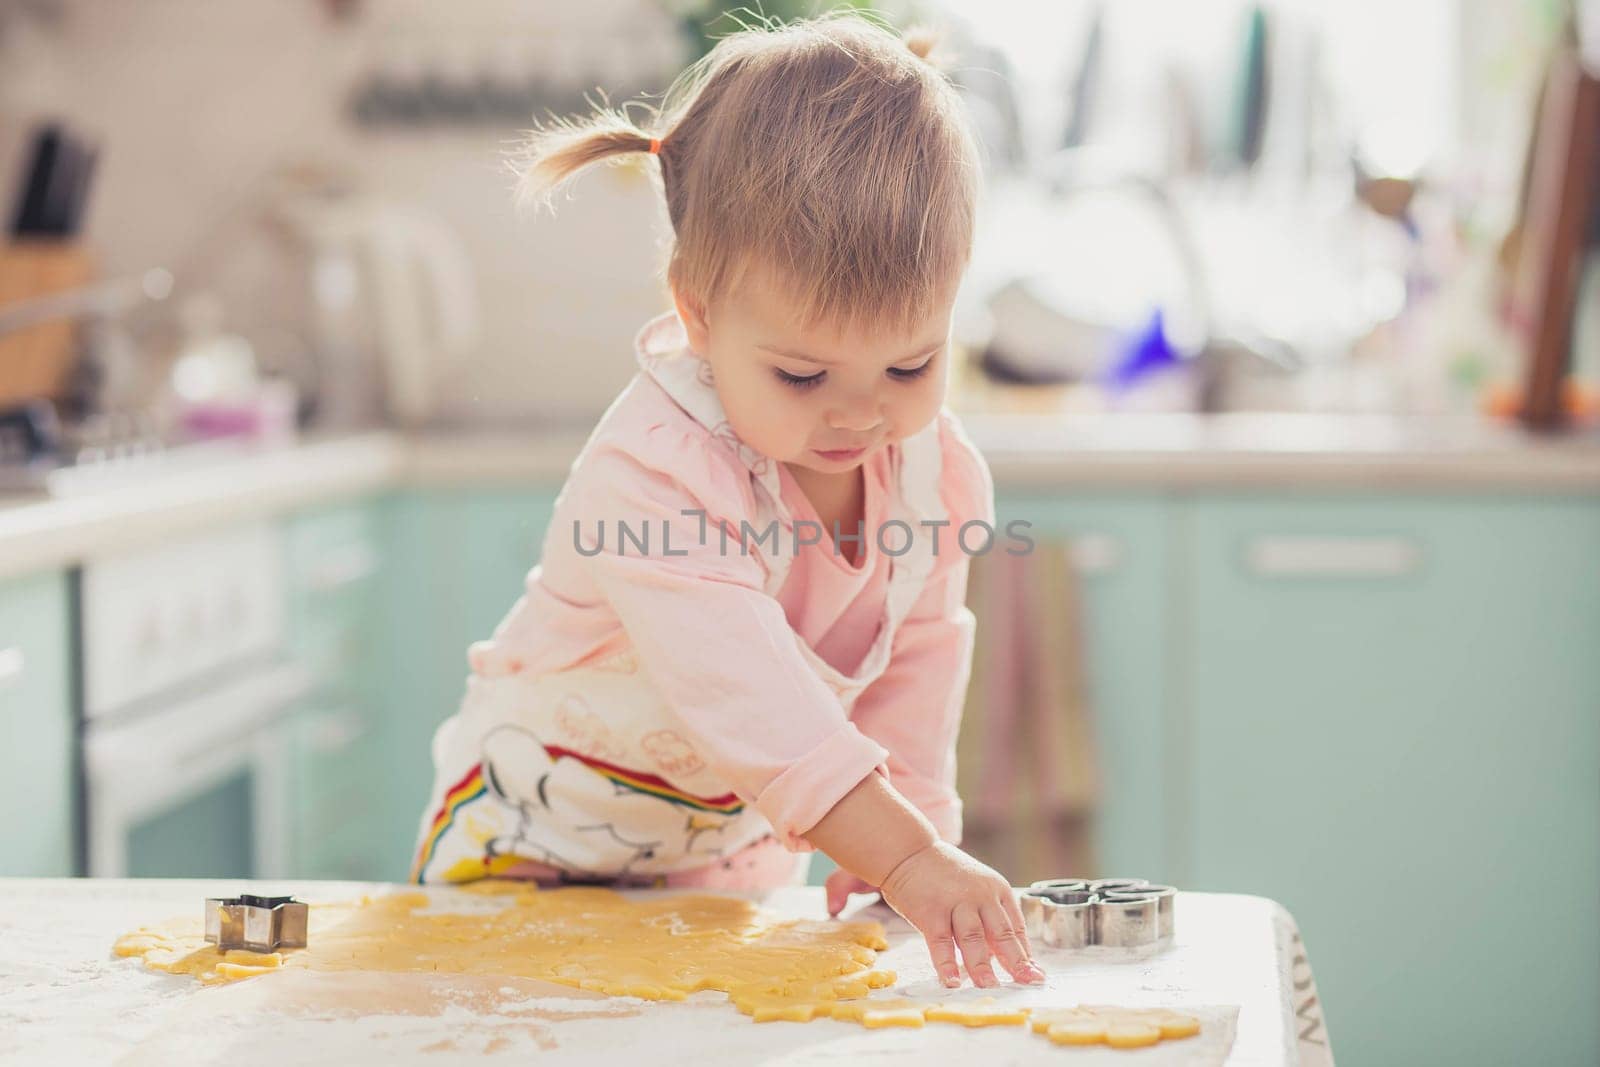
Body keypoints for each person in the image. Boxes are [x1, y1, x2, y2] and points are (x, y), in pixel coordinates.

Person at [411, 12, 1043, 991]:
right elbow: (750, 697)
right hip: (527, 855)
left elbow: (918, 656)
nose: (861, 414)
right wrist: (909, 856)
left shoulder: (932, 473)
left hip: (719, 866)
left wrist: (899, 852)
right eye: (800, 375)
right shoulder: (656, 474)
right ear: (697, 312)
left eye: (911, 361)